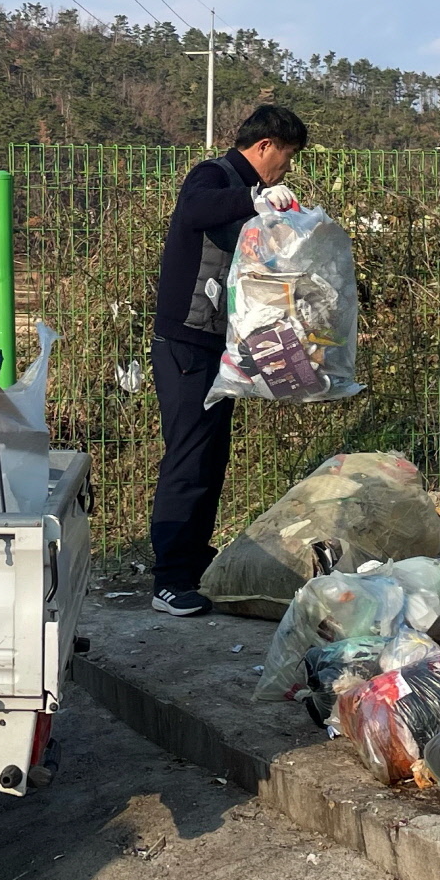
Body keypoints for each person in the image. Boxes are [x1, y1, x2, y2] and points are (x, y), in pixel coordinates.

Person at [147, 103, 310, 616]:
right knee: (188, 457)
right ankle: (169, 580)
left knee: (211, 457)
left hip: (220, 345)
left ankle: (194, 562)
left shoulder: (250, 194)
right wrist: (254, 197)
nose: (286, 169)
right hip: (186, 344)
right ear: (265, 147)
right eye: (285, 158)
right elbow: (195, 210)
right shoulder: (213, 176)